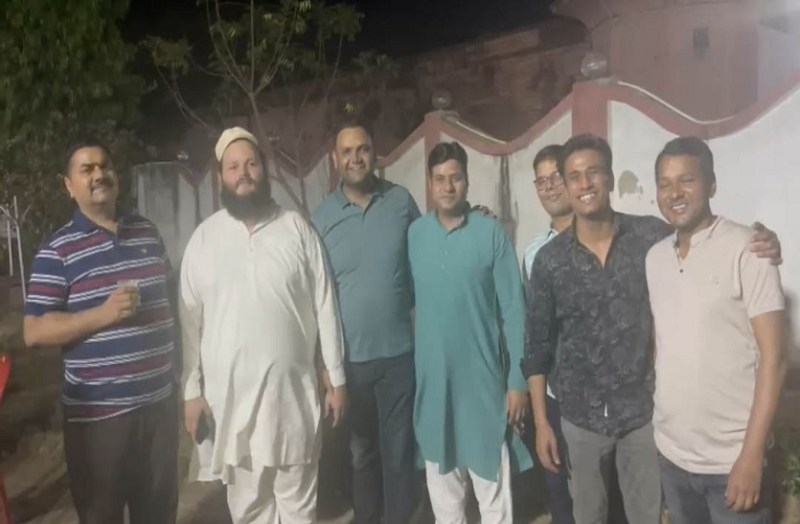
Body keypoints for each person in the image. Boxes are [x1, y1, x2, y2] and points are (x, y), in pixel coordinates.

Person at [522, 134, 782, 524]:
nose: (585, 183)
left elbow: (699, 231)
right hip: (580, 418)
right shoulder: (549, 261)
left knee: (645, 515)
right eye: (574, 176)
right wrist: (543, 422)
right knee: (589, 516)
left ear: (610, 178)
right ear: (566, 184)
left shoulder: (651, 238)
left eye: (594, 172)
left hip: (642, 417)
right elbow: (537, 345)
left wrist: (766, 243)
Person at [179, 127, 347, 523]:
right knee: (249, 510)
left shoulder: (296, 229)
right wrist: (191, 391)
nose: (244, 173)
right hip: (231, 406)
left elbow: (325, 303)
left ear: (264, 170)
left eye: (251, 164)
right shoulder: (204, 239)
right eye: (234, 166)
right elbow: (189, 323)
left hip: (292, 402)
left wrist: (336, 376)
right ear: (221, 177)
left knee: (299, 510)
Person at [23, 139, 178, 524]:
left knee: (159, 515)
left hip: (159, 408)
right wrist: (102, 314)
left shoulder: (147, 232)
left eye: (104, 165)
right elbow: (34, 330)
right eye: (87, 169)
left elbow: (170, 297)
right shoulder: (57, 250)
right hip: (99, 420)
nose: (99, 174)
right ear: (69, 186)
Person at [647, 137, 787, 524]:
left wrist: (751, 455)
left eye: (687, 180)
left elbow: (775, 359)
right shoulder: (654, 258)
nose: (674, 193)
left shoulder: (749, 249)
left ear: (711, 185)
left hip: (732, 462)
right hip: (673, 457)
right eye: (664, 183)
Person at [409, 141, 533, 523]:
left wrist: (517, 383)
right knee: (446, 505)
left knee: (494, 503)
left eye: (455, 178)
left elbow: (515, 311)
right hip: (435, 392)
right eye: (440, 179)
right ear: (430, 184)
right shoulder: (415, 235)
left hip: (482, 391)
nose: (448, 187)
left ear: (467, 181)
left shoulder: (490, 233)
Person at [312, 120, 419, 524]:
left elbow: (427, 249)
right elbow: (315, 295)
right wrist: (325, 365)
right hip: (350, 362)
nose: (355, 158)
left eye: (363, 149)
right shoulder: (322, 218)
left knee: (399, 454)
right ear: (335, 160)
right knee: (361, 454)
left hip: (399, 356)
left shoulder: (400, 202)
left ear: (374, 154)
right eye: (347, 151)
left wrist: (473, 217)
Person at [523, 145, 628, 524]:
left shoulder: (625, 236)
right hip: (560, 399)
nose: (550, 187)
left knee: (616, 502)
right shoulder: (534, 254)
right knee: (564, 499)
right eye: (542, 181)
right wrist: (540, 418)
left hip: (620, 399)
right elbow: (536, 337)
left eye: (556, 177)